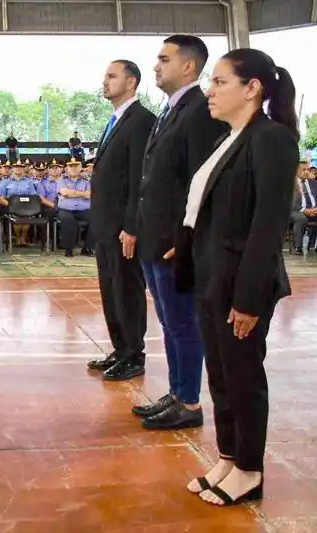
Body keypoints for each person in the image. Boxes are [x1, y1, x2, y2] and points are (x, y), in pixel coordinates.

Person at [178, 49, 299, 507]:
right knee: (222, 375)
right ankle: (229, 457)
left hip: (241, 284)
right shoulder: (228, 139)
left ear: (252, 89)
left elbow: (267, 226)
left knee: (244, 377)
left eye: (221, 82)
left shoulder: (270, 139)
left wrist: (248, 299)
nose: (211, 91)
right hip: (212, 278)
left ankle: (250, 468)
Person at [132, 35, 228, 431]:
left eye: (164, 59)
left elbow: (199, 183)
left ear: (189, 66)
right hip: (155, 239)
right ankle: (176, 392)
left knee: (183, 323)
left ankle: (189, 400)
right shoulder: (171, 110)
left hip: (174, 242)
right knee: (170, 323)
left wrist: (183, 239)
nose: (156, 66)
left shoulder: (200, 113)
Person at [87, 60, 156, 381]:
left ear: (131, 82)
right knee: (110, 288)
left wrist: (132, 226)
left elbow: (140, 180)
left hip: (123, 227)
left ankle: (134, 354)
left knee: (127, 288)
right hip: (105, 224)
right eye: (104, 76)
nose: (104, 82)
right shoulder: (116, 120)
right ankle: (120, 348)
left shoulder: (141, 121)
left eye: (112, 76)